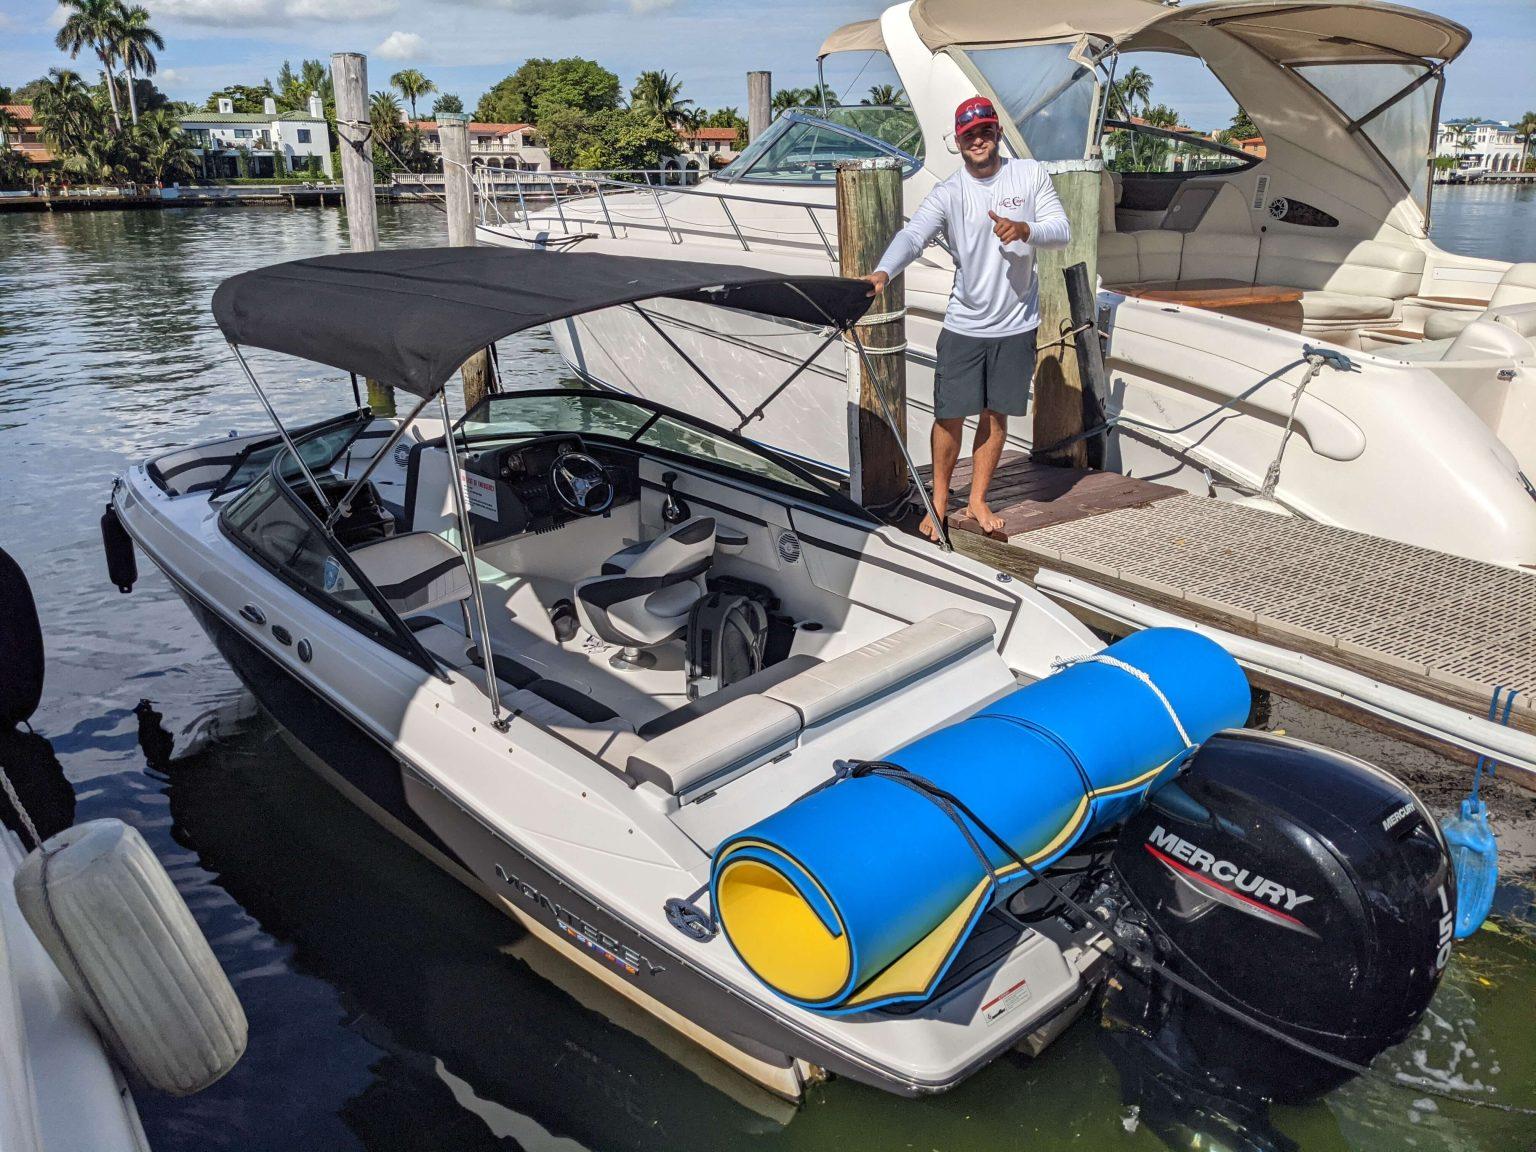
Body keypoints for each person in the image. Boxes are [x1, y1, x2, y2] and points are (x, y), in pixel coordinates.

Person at [863, 96, 1071, 540]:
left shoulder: (1029, 175)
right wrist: (883, 273)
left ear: (997, 132)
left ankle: (977, 498)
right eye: (968, 134)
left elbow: (1062, 231)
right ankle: (938, 498)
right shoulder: (949, 192)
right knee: (949, 416)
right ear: (958, 142)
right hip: (965, 325)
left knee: (996, 417)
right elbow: (913, 235)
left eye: (985, 131)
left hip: (1016, 324)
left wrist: (1025, 229)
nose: (978, 140)